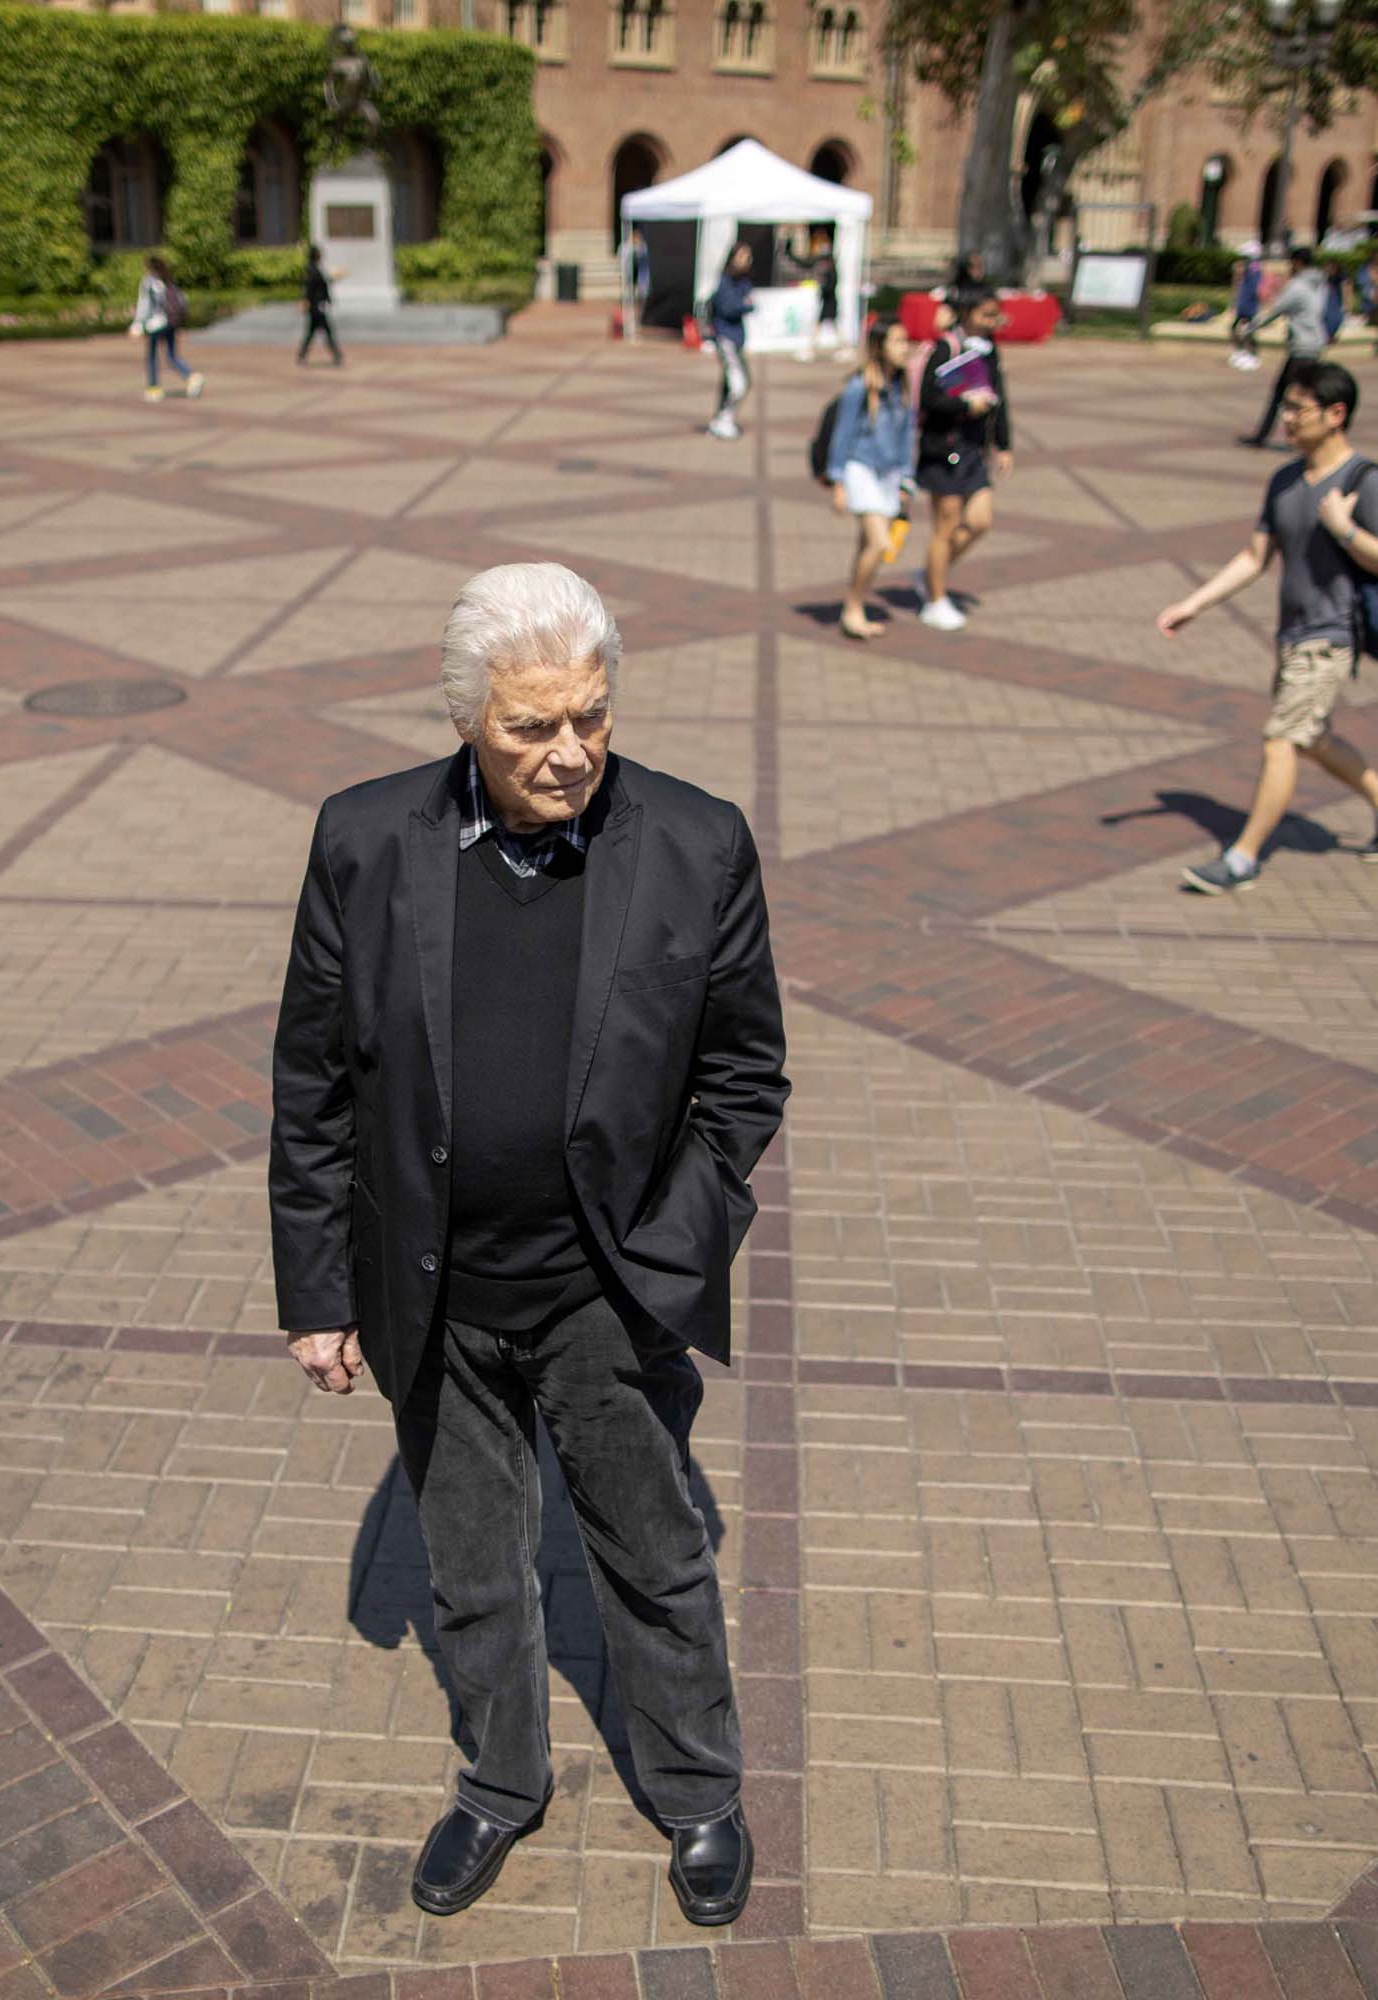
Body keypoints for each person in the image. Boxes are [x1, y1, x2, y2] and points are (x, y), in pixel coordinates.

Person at [269, 560, 783, 1932]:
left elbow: (745, 1078)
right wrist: (321, 1293)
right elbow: (314, 1084)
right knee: (472, 1563)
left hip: (603, 1298)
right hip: (431, 1294)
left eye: (591, 719)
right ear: (464, 721)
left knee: (652, 1552)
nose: (569, 755)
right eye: (530, 729)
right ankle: (499, 1783)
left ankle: (699, 1794)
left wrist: (674, 1250)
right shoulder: (363, 840)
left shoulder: (697, 842)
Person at [1154, 358, 1378, 895]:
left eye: (1298, 410)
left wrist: (1344, 529)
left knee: (1280, 741)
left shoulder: (1365, 481)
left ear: (1336, 414)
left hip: (1333, 635)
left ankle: (1242, 859)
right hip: (1293, 635)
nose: (1287, 420)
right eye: (1286, 408)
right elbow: (1255, 558)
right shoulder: (1284, 480)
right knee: (1312, 739)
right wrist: (1194, 603)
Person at [915, 287, 1011, 633]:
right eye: (986, 315)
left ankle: (931, 572)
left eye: (994, 315)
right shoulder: (945, 348)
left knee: (980, 521)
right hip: (944, 449)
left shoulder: (989, 349)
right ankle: (935, 599)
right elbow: (928, 398)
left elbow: (1000, 397)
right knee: (946, 526)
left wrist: (1003, 443)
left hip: (973, 450)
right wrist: (964, 405)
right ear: (967, 313)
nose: (991, 322)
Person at [827, 321, 917, 642]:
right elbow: (843, 433)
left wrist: (907, 479)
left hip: (889, 472)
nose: (904, 347)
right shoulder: (860, 385)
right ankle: (852, 607)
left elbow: (907, 434)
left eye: (906, 340)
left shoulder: (903, 385)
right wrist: (837, 480)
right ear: (880, 347)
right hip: (860, 468)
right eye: (897, 341)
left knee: (867, 545)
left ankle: (855, 607)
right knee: (880, 543)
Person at [1240, 245, 1331, 445]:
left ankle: (1264, 436)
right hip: (1315, 345)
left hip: (1300, 348)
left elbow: (1276, 310)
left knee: (1284, 394)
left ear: (1298, 263)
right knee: (1308, 394)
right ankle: (1315, 434)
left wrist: (1250, 327)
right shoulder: (1320, 284)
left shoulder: (1297, 286)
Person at [130, 253, 202, 403]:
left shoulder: (149, 282)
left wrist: (137, 324)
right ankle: (191, 376)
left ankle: (154, 388)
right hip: (171, 322)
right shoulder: (168, 280)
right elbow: (182, 300)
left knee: (151, 356)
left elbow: (144, 305)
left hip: (155, 324)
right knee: (171, 355)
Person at [704, 242, 754, 441]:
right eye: (741, 256)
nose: (746, 261)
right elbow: (727, 307)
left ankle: (722, 418)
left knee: (733, 382)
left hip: (735, 338)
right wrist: (745, 305)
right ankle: (723, 419)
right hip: (726, 337)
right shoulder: (725, 281)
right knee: (739, 383)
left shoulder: (742, 281)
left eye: (748, 257)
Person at [298, 243, 344, 366]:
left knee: (312, 332)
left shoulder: (315, 269)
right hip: (317, 306)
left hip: (317, 306)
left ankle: (302, 355)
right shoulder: (312, 270)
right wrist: (305, 301)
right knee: (327, 331)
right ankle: (337, 355)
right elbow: (309, 288)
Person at [1228, 244, 1264, 370]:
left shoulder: (1254, 268)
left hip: (1249, 305)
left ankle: (1252, 355)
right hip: (1244, 304)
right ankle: (1242, 352)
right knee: (1236, 329)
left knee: (1249, 331)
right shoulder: (1249, 268)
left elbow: (1254, 289)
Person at [811, 231, 843, 358]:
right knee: (822, 325)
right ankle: (812, 348)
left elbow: (831, 285)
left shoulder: (831, 268)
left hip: (830, 300)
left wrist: (823, 287)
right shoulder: (827, 266)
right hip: (827, 300)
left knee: (827, 325)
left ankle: (844, 347)